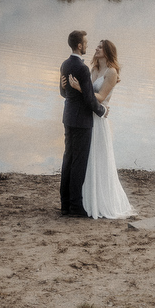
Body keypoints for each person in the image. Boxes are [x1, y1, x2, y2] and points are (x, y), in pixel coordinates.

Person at [67, 39, 134, 219]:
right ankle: (86, 201)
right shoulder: (94, 69)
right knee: (87, 161)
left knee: (99, 160)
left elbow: (100, 96)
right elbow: (88, 96)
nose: (95, 49)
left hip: (98, 119)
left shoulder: (112, 72)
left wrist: (79, 88)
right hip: (88, 117)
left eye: (99, 47)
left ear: (107, 51)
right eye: (95, 46)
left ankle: (101, 202)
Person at [59, 30, 108, 217]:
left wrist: (65, 87)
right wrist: (102, 111)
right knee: (79, 163)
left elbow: (63, 93)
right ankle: (76, 207)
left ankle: (65, 204)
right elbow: (88, 98)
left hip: (68, 117)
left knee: (68, 160)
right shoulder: (82, 68)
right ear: (79, 45)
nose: (87, 45)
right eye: (86, 43)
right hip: (81, 121)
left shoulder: (65, 64)